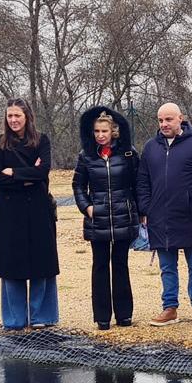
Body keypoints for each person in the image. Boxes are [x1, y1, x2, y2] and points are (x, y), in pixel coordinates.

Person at [136, 103, 192, 327]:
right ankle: (169, 308)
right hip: (159, 216)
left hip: (191, 215)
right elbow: (142, 181)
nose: (164, 124)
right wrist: (145, 209)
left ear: (181, 118)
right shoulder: (151, 147)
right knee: (167, 267)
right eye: (160, 120)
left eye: (169, 119)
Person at [0, 98, 59, 331]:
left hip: (38, 210)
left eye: (17, 115)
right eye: (10, 116)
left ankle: (42, 316)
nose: (13, 120)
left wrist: (14, 173)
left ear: (27, 116)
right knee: (12, 265)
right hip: (8, 213)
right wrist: (27, 176)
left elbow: (43, 171)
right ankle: (15, 319)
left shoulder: (42, 140)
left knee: (41, 263)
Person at [72, 106, 138, 330]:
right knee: (100, 266)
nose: (101, 135)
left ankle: (124, 314)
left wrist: (138, 210)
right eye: (97, 131)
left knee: (121, 264)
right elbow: (78, 186)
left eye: (104, 131)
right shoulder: (86, 156)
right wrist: (87, 208)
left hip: (123, 216)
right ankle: (102, 316)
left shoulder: (128, 153)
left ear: (113, 132)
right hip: (97, 218)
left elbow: (138, 183)